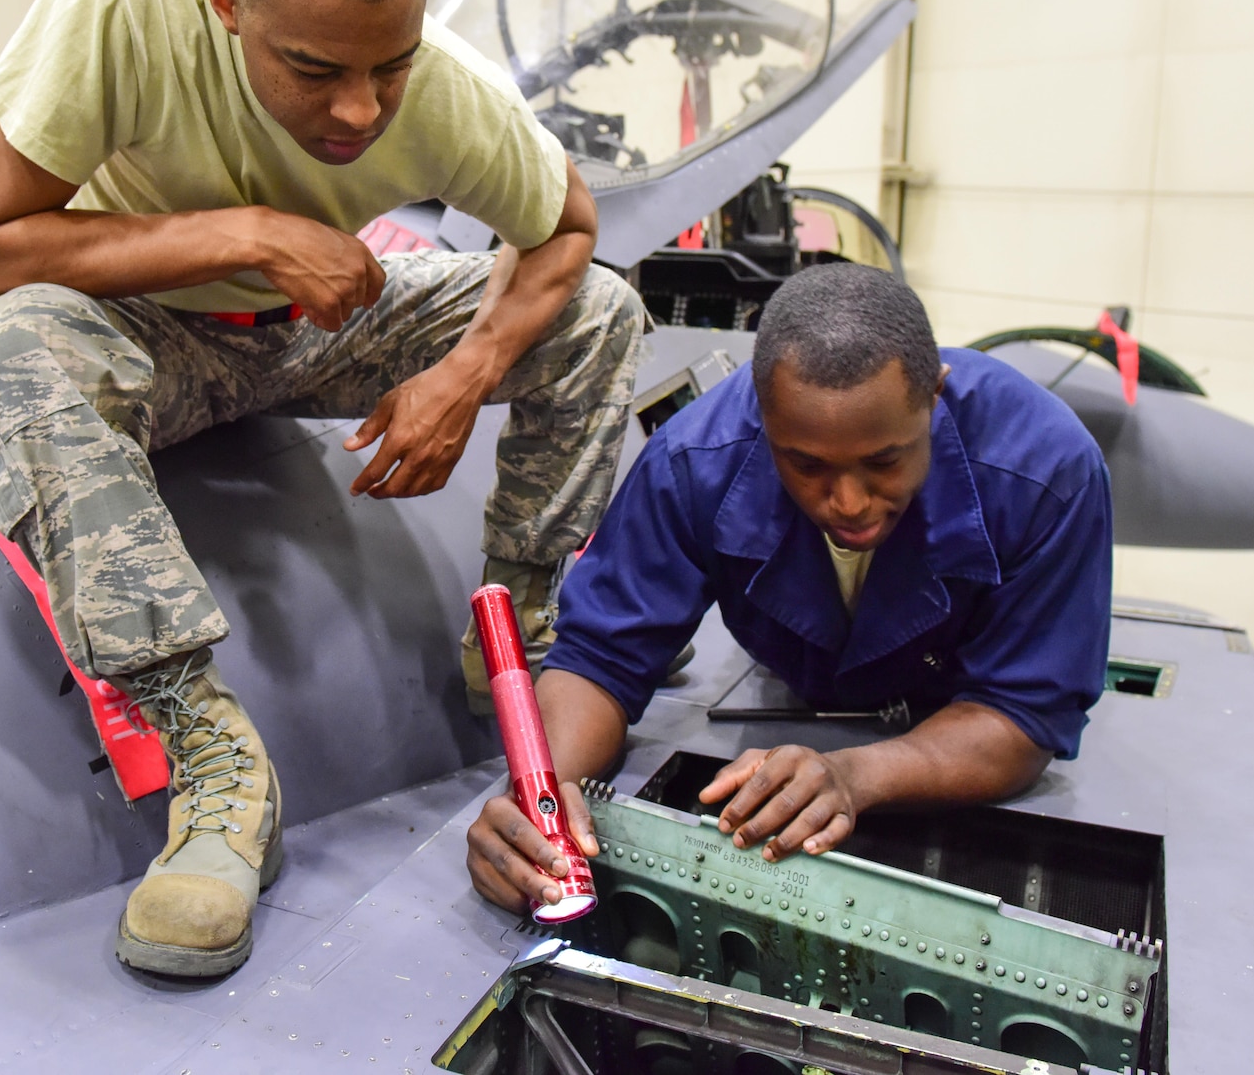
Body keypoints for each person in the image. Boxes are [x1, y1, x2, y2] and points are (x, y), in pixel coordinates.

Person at [0, 0, 645, 978]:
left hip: (332, 321)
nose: (360, 111)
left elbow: (564, 231)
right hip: (150, 329)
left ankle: (515, 633)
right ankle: (213, 760)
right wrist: (247, 236)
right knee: (9, 348)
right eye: (314, 69)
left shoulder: (446, 93)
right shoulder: (121, 3)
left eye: (389, 64)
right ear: (225, 2)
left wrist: (456, 379)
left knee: (598, 309)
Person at [466, 263, 1113, 917]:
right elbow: (599, 659)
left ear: (935, 395)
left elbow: (1023, 711)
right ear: (762, 410)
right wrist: (544, 792)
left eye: (885, 460)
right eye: (805, 464)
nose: (851, 502)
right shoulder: (695, 461)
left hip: (960, 736)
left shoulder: (1049, 472)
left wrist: (857, 773)